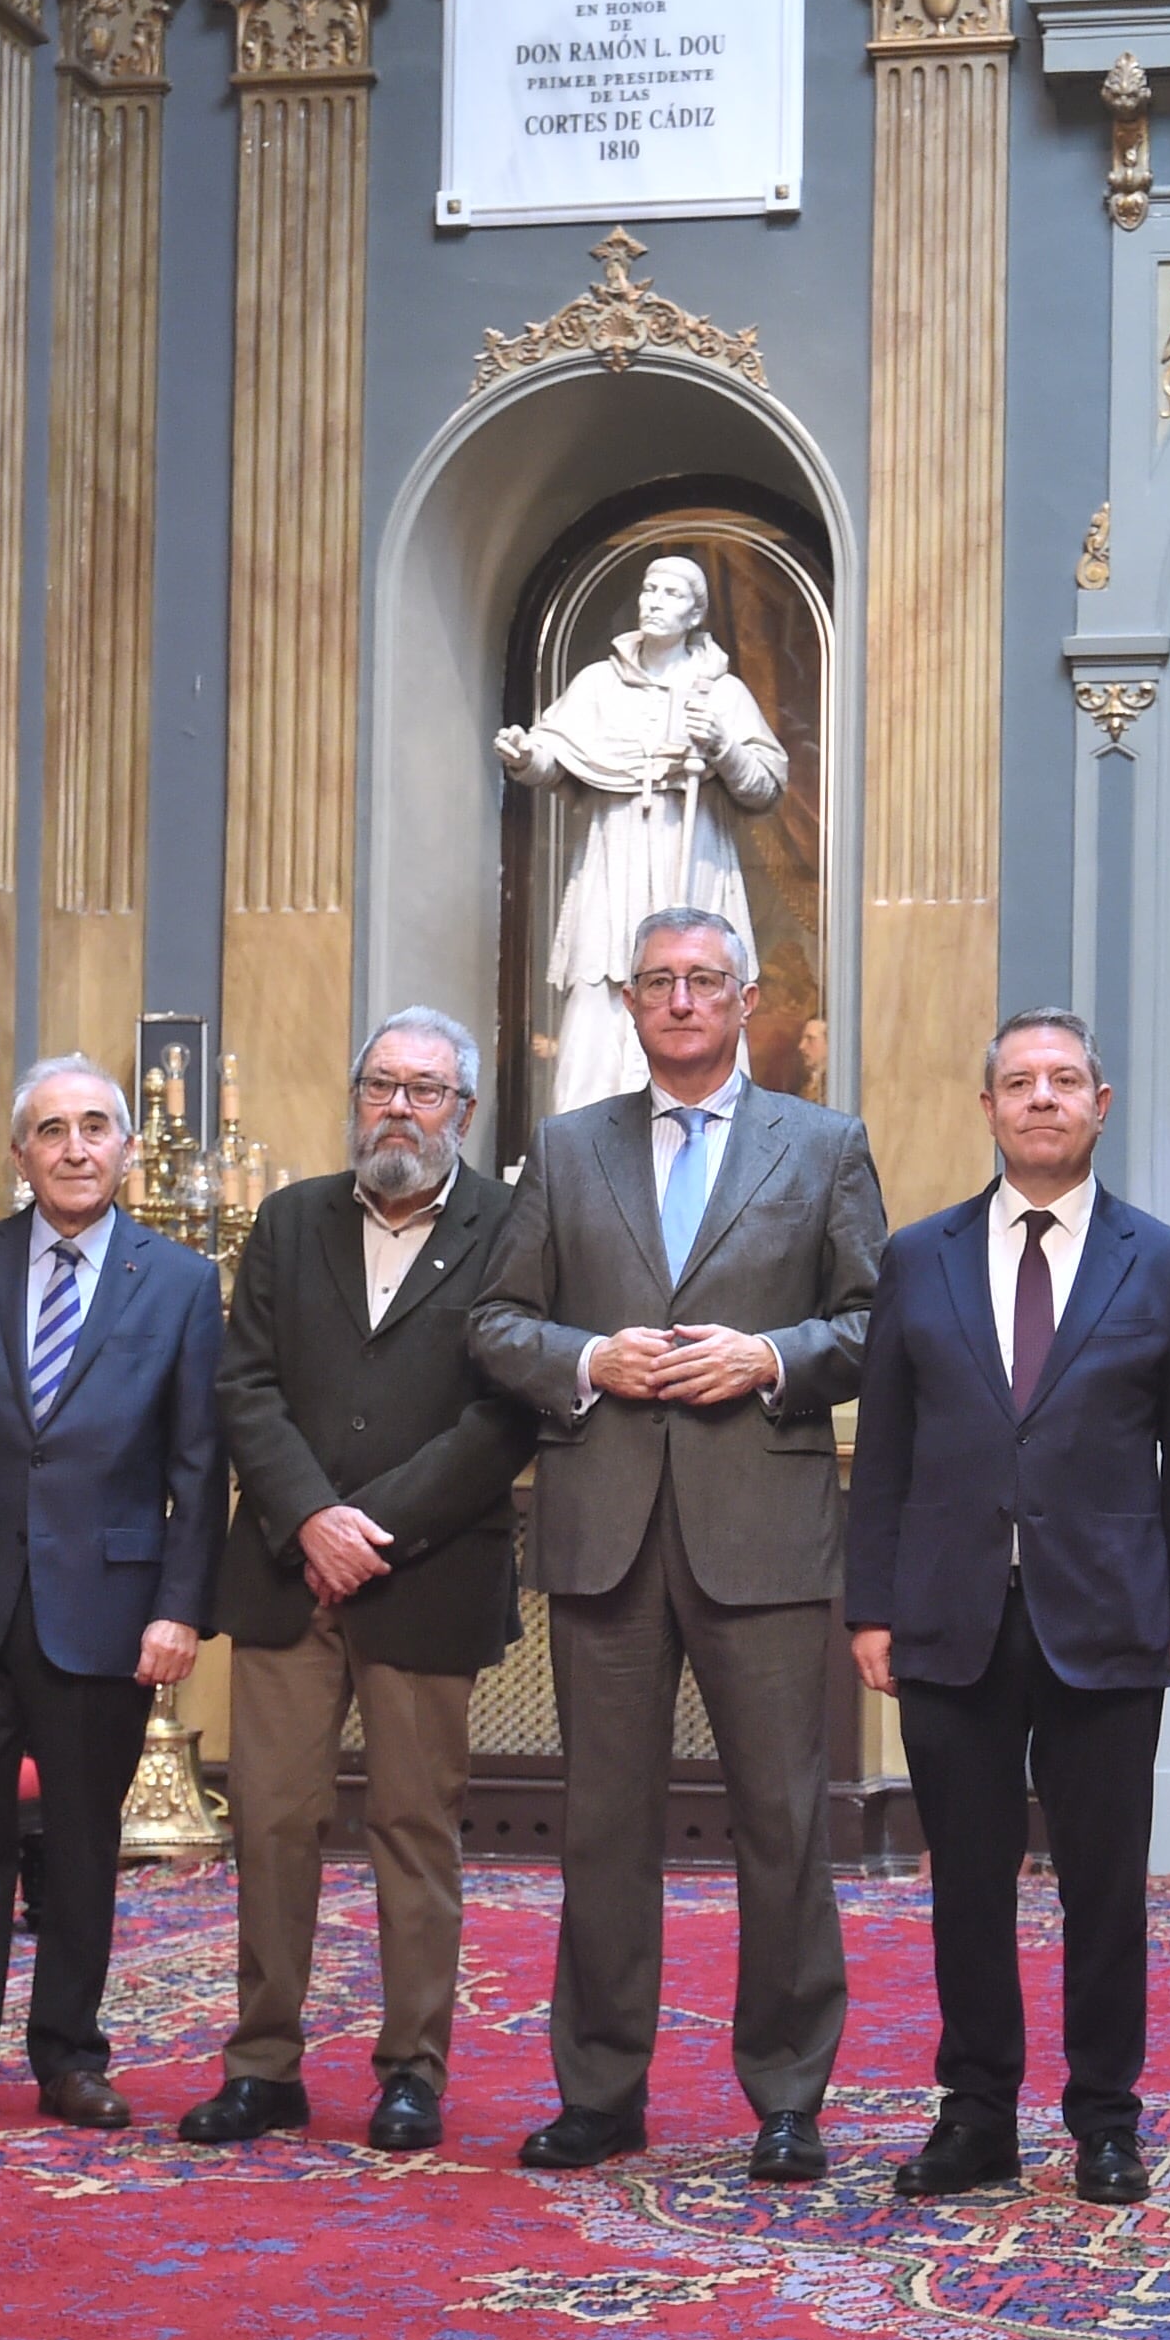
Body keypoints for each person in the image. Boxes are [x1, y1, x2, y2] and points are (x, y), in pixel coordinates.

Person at [470, 907, 883, 2180]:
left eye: (706, 979)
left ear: (747, 998)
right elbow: (496, 1319)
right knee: (602, 1825)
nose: (683, 1000)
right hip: (605, 1530)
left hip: (762, 1530)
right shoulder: (566, 1146)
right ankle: (600, 2089)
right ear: (630, 1002)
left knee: (782, 1822)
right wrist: (588, 1356)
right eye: (659, 980)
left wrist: (769, 1355)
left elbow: (877, 1320)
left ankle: (788, 2096)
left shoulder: (823, 1144)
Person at [845, 1009, 1170, 2206]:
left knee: (1104, 1886)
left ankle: (1105, 2118)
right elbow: (885, 1445)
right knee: (966, 1881)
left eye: (1064, 1080)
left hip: (1107, 1619)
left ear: (1100, 1105)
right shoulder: (920, 1256)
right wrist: (870, 1606)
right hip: (947, 1614)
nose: (1042, 1098)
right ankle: (977, 2116)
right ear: (989, 1108)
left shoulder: (1160, 1260)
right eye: (1019, 1082)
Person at [183, 1007, 535, 2156]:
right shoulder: (292, 1220)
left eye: (423, 1089)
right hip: (288, 1571)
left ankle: (411, 2071)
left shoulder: (511, 1228)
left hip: (424, 1576)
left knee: (412, 1826)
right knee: (272, 1820)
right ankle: (262, 2065)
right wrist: (310, 1516)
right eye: (381, 1084)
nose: (398, 1108)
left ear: (463, 1110)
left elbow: (507, 1409)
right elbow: (244, 1385)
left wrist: (373, 1525)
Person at [0, 1056, 226, 2138]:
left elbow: (198, 1464)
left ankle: (71, 2056)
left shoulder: (180, 1282)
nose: (74, 1148)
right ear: (18, 1154)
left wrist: (180, 1606)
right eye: (51, 1130)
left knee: (81, 1852)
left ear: (126, 1148)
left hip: (108, 1611)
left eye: (94, 1127)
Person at [498, 558, 791, 1112]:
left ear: (695, 614)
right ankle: (584, 1136)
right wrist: (525, 756)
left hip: (693, 861)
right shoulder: (598, 684)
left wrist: (723, 747)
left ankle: (703, 1124)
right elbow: (554, 755)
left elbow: (765, 788)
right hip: (616, 862)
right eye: (649, 589)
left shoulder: (721, 694)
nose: (654, 600)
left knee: (697, 984)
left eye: (671, 593)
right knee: (600, 992)